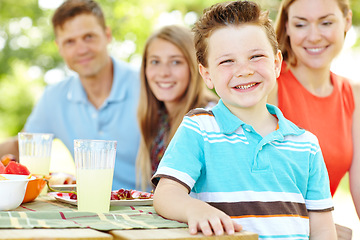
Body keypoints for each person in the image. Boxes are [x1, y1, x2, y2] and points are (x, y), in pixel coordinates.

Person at [151, 1, 336, 239]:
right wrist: (194, 209)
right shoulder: (199, 129)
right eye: (227, 61)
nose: (244, 70)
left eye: (256, 56)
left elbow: (322, 229)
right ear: (207, 74)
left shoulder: (306, 144)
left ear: (276, 63)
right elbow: (165, 194)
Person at [0, 0, 140, 190]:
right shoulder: (54, 97)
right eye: (70, 42)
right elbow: (23, 146)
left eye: (89, 37)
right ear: (59, 47)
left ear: (107, 35)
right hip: (86, 207)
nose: (81, 49)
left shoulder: (147, 86)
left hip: (148, 206)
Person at [268, 0, 360, 236]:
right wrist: (315, 229)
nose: (314, 36)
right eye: (301, 25)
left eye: (326, 22)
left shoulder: (354, 95)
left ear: (347, 21)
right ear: (287, 27)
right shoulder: (268, 88)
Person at [136, 25, 218, 191]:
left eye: (175, 62)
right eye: (155, 61)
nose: (164, 72)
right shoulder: (158, 118)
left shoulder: (210, 119)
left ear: (194, 67)